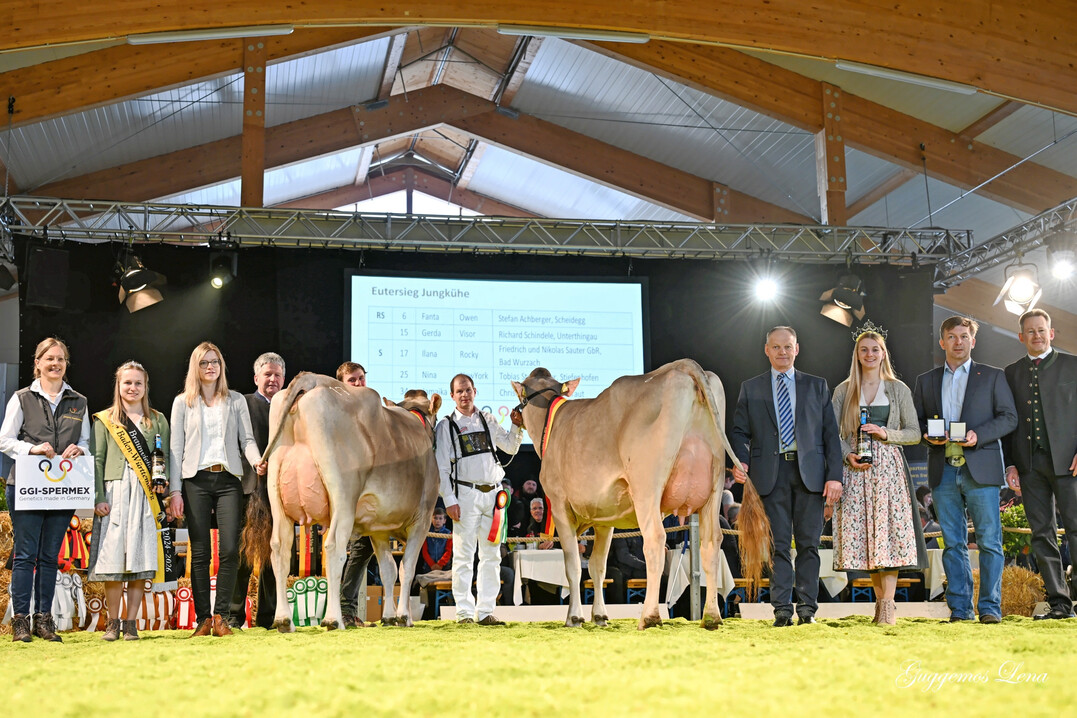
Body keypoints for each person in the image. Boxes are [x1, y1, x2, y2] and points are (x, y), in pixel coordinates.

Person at [731, 326, 843, 626]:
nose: (782, 352)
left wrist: (835, 476)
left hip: (811, 475)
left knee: (808, 544)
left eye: (788, 346)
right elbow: (740, 431)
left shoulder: (817, 386)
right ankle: (781, 609)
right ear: (766, 350)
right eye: (776, 347)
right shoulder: (751, 387)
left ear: (797, 349)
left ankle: (807, 610)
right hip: (770, 475)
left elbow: (831, 435)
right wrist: (741, 460)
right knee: (779, 545)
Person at [912, 316, 1017, 624]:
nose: (958, 342)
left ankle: (989, 608)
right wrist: (926, 435)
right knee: (953, 543)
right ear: (942, 342)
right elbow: (916, 423)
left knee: (989, 541)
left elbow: (1009, 417)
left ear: (973, 341)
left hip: (981, 470)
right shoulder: (926, 380)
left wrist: (978, 435)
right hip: (942, 469)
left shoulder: (994, 376)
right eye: (952, 337)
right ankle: (960, 609)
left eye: (964, 336)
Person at [830, 327, 928, 625]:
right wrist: (847, 454)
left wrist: (885, 432)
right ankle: (880, 604)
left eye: (875, 349)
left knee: (888, 534)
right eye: (864, 350)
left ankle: (887, 605)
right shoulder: (843, 390)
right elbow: (831, 434)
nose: (870, 354)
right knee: (869, 539)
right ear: (857, 355)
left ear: (883, 353)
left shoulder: (897, 389)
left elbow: (914, 433)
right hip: (856, 471)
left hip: (888, 470)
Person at [168, 341, 265, 637]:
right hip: (195, 480)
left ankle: (221, 616)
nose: (210, 367)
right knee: (199, 553)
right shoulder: (182, 402)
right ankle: (203, 619)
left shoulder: (235, 400)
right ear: (195, 368)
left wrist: (257, 460)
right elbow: (175, 449)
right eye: (204, 362)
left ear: (221, 367)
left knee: (230, 551)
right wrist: (175, 492)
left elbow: (246, 440)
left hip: (228, 481)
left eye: (215, 362)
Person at [0, 338, 89, 642]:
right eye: (49, 359)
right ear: (37, 363)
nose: (55, 364)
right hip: (25, 487)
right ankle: (21, 621)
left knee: (50, 556)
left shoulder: (79, 401)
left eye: (60, 359)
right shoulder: (22, 397)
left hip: (62, 489)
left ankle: (44, 620)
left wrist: (81, 449)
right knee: (26, 555)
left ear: (66, 363)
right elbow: (5, 440)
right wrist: (33, 449)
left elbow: (86, 443)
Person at [88, 361, 172, 641]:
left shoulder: (158, 419)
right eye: (127, 382)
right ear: (118, 385)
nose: (132, 388)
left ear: (145, 386)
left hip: (146, 494)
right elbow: (97, 461)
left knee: (139, 556)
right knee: (112, 559)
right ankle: (113, 622)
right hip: (115, 492)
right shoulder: (104, 419)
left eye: (138, 383)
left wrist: (165, 489)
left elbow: (165, 457)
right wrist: (98, 497)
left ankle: (131, 622)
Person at [1003, 309, 1077, 620]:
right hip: (1029, 464)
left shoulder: (1073, 364)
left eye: (1041, 330)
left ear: (1051, 333)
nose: (1036, 335)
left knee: (1076, 530)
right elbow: (1008, 422)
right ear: (1021, 337)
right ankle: (1060, 603)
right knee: (1041, 534)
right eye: (1030, 331)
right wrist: (1011, 464)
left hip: (1069, 463)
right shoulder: (1011, 372)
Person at [435, 373, 523, 625]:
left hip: (494, 495)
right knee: (464, 555)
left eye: (468, 390)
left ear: (475, 391)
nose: (464, 395)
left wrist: (517, 426)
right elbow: (442, 466)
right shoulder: (446, 425)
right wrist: (449, 499)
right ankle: (464, 612)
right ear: (452, 395)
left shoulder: (487, 418)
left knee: (492, 555)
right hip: (465, 495)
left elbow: (509, 446)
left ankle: (485, 611)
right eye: (459, 391)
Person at [231, 352, 285, 628]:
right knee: (241, 554)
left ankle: (268, 616)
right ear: (256, 378)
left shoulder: (290, 407)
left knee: (273, 554)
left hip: (279, 492)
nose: (273, 379)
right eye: (268, 374)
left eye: (277, 375)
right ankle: (233, 615)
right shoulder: (242, 403)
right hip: (247, 488)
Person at [335, 361, 375, 627]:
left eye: (361, 378)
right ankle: (341, 609)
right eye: (353, 380)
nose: (359, 383)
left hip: (370, 489)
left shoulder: (372, 410)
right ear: (341, 384)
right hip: (344, 488)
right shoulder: (336, 410)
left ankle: (345, 608)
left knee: (366, 547)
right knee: (342, 547)